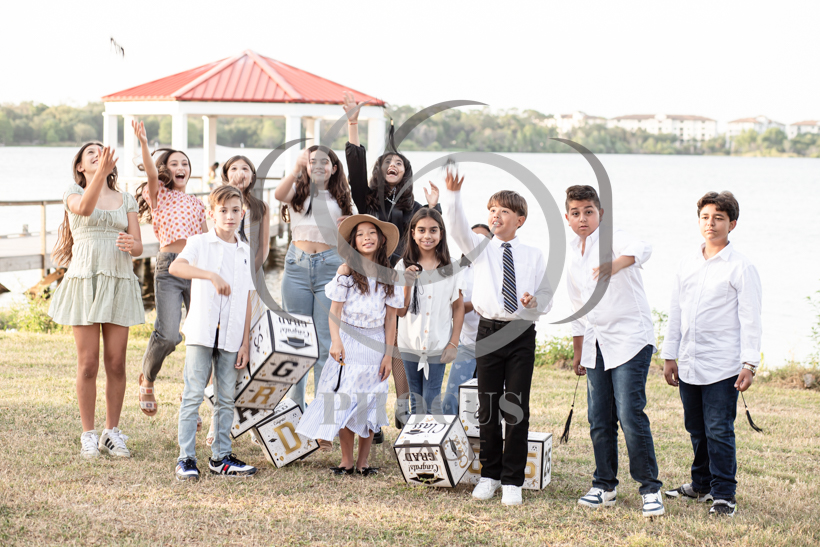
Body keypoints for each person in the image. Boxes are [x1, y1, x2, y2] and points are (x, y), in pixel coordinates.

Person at [441, 168, 552, 506]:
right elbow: (457, 228)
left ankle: (512, 480)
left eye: (504, 211)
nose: (496, 215)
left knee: (515, 407)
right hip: (488, 332)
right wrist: (452, 195)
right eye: (492, 210)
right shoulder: (481, 249)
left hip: (520, 334)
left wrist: (534, 303)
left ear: (520, 220)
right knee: (488, 406)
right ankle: (489, 475)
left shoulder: (534, 254)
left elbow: (546, 296)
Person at [563, 185, 664, 518]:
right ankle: (604, 486)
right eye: (576, 213)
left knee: (630, 415)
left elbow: (643, 247)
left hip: (630, 340)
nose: (582, 218)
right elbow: (577, 307)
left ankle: (650, 489)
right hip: (595, 344)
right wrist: (578, 351)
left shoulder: (614, 238)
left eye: (588, 211)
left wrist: (615, 264)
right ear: (567, 217)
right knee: (599, 418)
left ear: (600, 214)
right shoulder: (573, 256)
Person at [342, 92, 440, 429]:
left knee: (394, 342)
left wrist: (435, 206)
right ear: (380, 170)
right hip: (365, 274)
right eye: (387, 162)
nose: (393, 165)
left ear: (406, 171)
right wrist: (353, 123)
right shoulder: (367, 197)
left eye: (399, 162)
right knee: (365, 344)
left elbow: (430, 234)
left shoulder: (414, 206)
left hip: (398, 277)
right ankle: (363, 415)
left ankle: (402, 406)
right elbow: (355, 167)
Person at [661, 191, 762, 518]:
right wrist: (669, 355)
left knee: (719, 430)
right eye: (705, 217)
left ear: (732, 224)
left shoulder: (741, 267)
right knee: (696, 427)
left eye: (719, 218)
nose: (711, 223)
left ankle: (724, 495)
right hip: (689, 362)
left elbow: (751, 319)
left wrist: (749, 364)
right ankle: (700, 484)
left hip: (723, 365)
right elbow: (676, 312)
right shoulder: (687, 263)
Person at [49, 142, 144, 459]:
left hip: (118, 281)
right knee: (88, 364)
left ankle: (111, 432)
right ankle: (88, 434)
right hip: (85, 281)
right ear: (80, 166)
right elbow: (85, 209)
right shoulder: (72, 193)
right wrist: (100, 174)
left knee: (116, 363)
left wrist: (131, 243)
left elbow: (139, 247)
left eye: (100, 152)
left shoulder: (126, 199)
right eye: (90, 153)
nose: (96, 154)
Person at [295, 214, 403, 475]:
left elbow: (391, 319)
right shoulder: (346, 272)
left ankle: (363, 462)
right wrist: (336, 341)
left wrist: (388, 355)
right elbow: (335, 312)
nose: (367, 238)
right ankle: (346, 460)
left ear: (381, 240)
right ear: (354, 242)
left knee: (369, 400)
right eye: (360, 234)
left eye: (372, 233)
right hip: (348, 341)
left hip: (375, 343)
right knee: (344, 398)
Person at [169, 185, 257, 480]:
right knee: (193, 394)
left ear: (242, 213)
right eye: (223, 211)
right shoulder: (199, 243)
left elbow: (247, 298)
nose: (230, 216)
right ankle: (186, 458)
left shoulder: (246, 251)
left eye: (235, 211)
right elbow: (177, 268)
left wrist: (245, 342)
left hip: (232, 337)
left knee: (226, 398)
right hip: (201, 332)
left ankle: (221, 457)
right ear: (212, 214)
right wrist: (210, 275)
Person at [273, 147, 356, 416]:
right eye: (312, 162)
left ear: (334, 167)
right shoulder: (297, 192)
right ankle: (296, 409)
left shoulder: (342, 198)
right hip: (297, 267)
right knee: (296, 342)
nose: (319, 166)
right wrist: (296, 168)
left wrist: (349, 224)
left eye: (325, 162)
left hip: (330, 266)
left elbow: (351, 235)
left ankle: (322, 415)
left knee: (324, 343)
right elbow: (278, 195)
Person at [133, 121, 207, 419]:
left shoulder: (198, 204)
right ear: (166, 169)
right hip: (168, 267)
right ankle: (147, 378)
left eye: (185, 164)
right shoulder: (159, 194)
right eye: (174, 163)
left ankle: (191, 398)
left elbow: (206, 239)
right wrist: (143, 143)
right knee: (168, 336)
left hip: (196, 267)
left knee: (201, 336)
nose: (181, 167)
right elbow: (152, 174)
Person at [395, 208, 464, 416]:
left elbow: (458, 307)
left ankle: (432, 436)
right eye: (422, 230)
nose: (427, 236)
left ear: (441, 233)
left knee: (432, 398)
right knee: (416, 399)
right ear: (413, 233)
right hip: (409, 343)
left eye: (433, 230)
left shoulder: (451, 267)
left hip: (438, 344)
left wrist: (453, 343)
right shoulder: (402, 266)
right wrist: (407, 284)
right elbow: (400, 311)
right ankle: (418, 436)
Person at [442, 224, 492, 415]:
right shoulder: (458, 270)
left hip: (493, 345)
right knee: (451, 401)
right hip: (467, 343)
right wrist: (476, 304)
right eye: (473, 238)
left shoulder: (496, 268)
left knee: (486, 401)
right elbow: (450, 307)